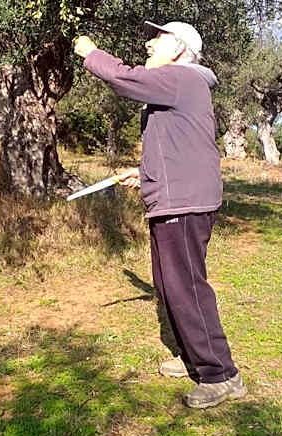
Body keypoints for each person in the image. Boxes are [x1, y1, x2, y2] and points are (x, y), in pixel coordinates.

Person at [73, 21, 245, 409]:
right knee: (169, 286)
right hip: (174, 198)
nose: (149, 44)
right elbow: (178, 145)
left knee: (186, 287)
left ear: (180, 49)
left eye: (159, 38)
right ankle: (194, 356)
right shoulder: (180, 86)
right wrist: (144, 172)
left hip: (183, 202)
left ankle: (221, 375)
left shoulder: (182, 78)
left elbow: (124, 78)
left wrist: (91, 53)